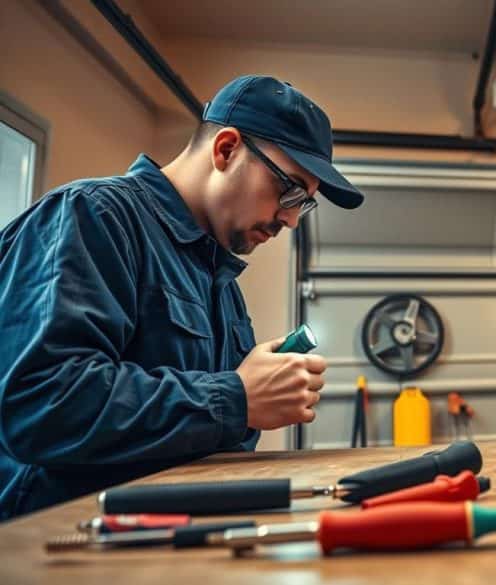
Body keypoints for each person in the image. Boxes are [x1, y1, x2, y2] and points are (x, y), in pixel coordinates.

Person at [0, 75, 363, 519]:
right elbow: (42, 405)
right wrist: (235, 398)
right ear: (226, 150)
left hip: (164, 536)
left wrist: (256, 398)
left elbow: (211, 433)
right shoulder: (93, 216)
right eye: (289, 190)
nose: (290, 220)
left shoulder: (219, 279)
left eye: (304, 203)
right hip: (60, 538)